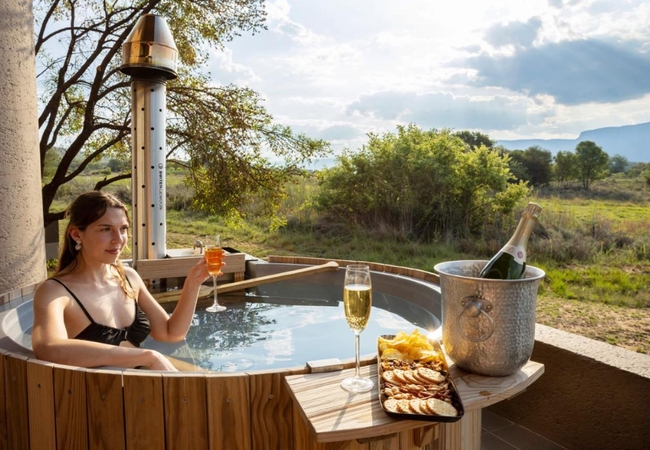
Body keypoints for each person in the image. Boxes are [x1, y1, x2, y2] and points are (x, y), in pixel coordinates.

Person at [32, 190, 212, 371]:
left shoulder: (128, 277)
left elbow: (170, 333)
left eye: (123, 229)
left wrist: (193, 282)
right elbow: (47, 347)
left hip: (145, 384)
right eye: (105, 229)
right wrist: (148, 356)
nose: (118, 239)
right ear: (77, 235)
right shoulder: (55, 292)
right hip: (106, 394)